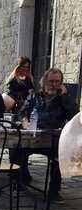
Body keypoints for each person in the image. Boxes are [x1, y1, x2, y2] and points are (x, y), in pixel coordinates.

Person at [14, 67, 78, 202]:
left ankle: (54, 191)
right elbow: (21, 113)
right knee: (15, 147)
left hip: (52, 139)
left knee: (59, 155)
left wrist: (65, 97)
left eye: (57, 82)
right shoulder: (34, 96)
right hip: (33, 136)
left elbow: (75, 116)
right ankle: (22, 180)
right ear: (44, 82)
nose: (54, 84)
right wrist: (25, 123)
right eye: (51, 81)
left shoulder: (63, 99)